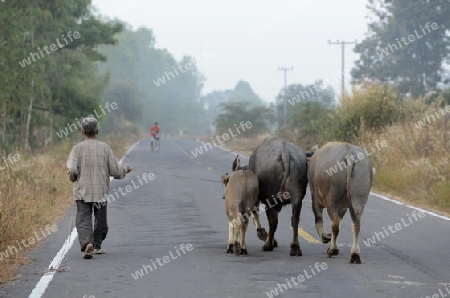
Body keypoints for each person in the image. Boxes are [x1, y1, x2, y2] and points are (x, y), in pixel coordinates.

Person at [66, 117, 132, 259]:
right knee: (100, 220)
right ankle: (97, 246)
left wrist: (73, 177)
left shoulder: (76, 149)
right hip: (100, 190)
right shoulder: (105, 148)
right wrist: (125, 170)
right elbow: (115, 171)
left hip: (82, 190)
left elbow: (72, 169)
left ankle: (86, 244)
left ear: (83, 131)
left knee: (83, 218)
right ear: (98, 131)